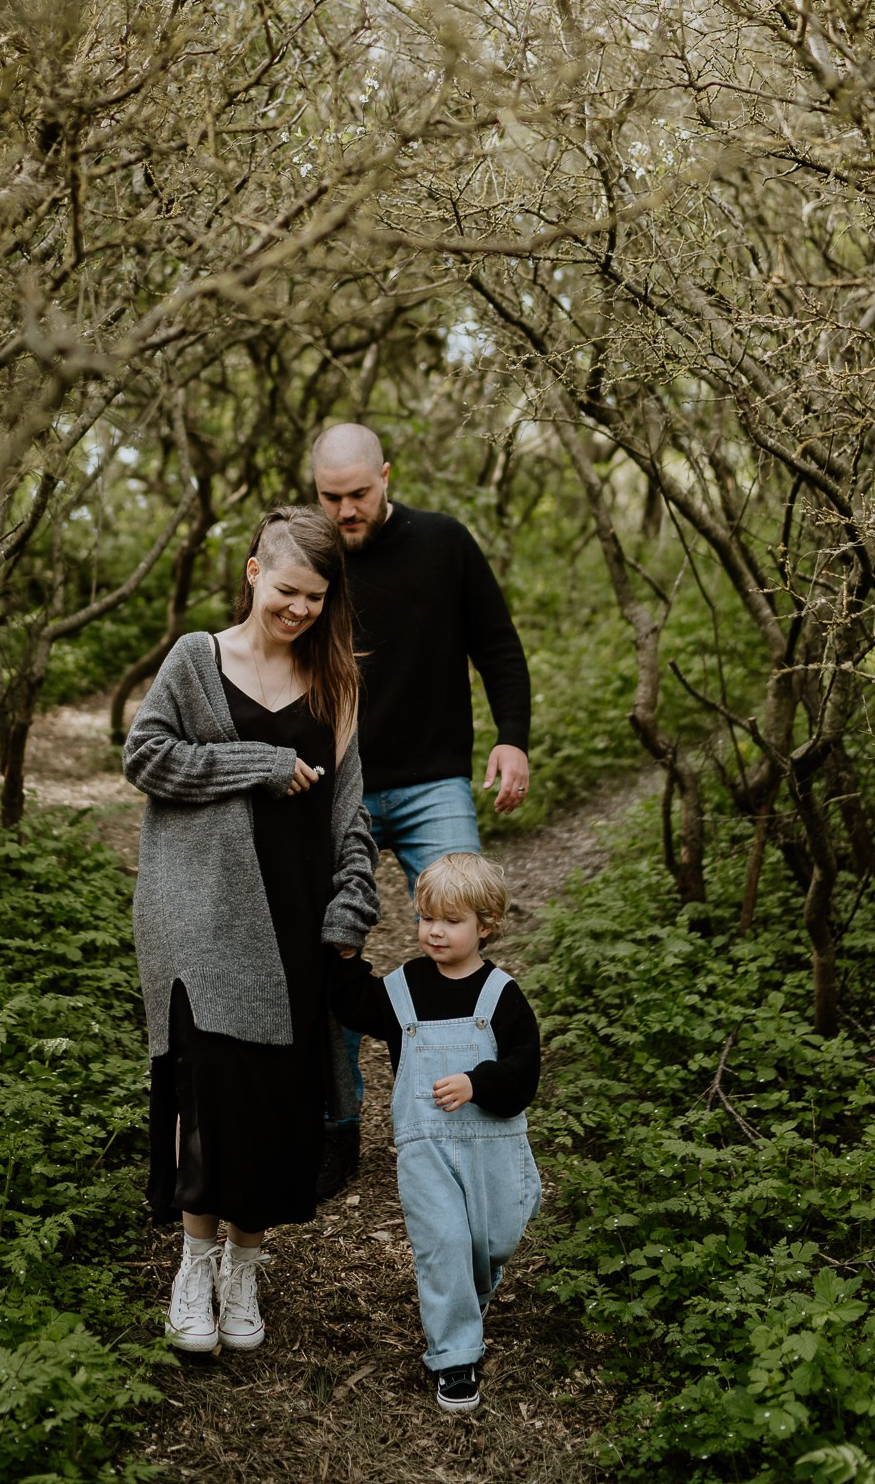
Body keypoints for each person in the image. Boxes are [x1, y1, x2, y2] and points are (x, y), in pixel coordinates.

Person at [124, 505, 380, 1356]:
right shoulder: (198, 660)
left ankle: (244, 1267)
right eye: (286, 589)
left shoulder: (336, 681)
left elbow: (351, 817)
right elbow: (146, 756)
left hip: (297, 922)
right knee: (212, 1093)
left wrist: (351, 908)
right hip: (202, 915)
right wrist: (259, 766)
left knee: (275, 1104)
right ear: (252, 573)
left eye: (314, 595)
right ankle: (194, 1265)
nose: (299, 608)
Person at [312, 421, 531, 1192]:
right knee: (329, 951)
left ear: (387, 477)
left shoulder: (444, 543)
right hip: (336, 785)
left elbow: (498, 646)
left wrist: (512, 739)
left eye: (360, 493)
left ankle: (457, 1100)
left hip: (435, 780)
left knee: (456, 937)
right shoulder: (308, 558)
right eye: (331, 497)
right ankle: (340, 1125)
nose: (346, 511)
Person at [328, 853, 541, 1413]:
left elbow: (525, 1069)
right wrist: (345, 954)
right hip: (426, 1149)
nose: (435, 932)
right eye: (426, 919)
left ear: (485, 926)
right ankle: (455, 1356)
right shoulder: (403, 989)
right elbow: (353, 1005)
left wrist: (478, 1083)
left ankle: (470, 1300)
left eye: (451, 921)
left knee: (492, 1240)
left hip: (493, 1143)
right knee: (443, 1243)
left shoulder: (501, 994)